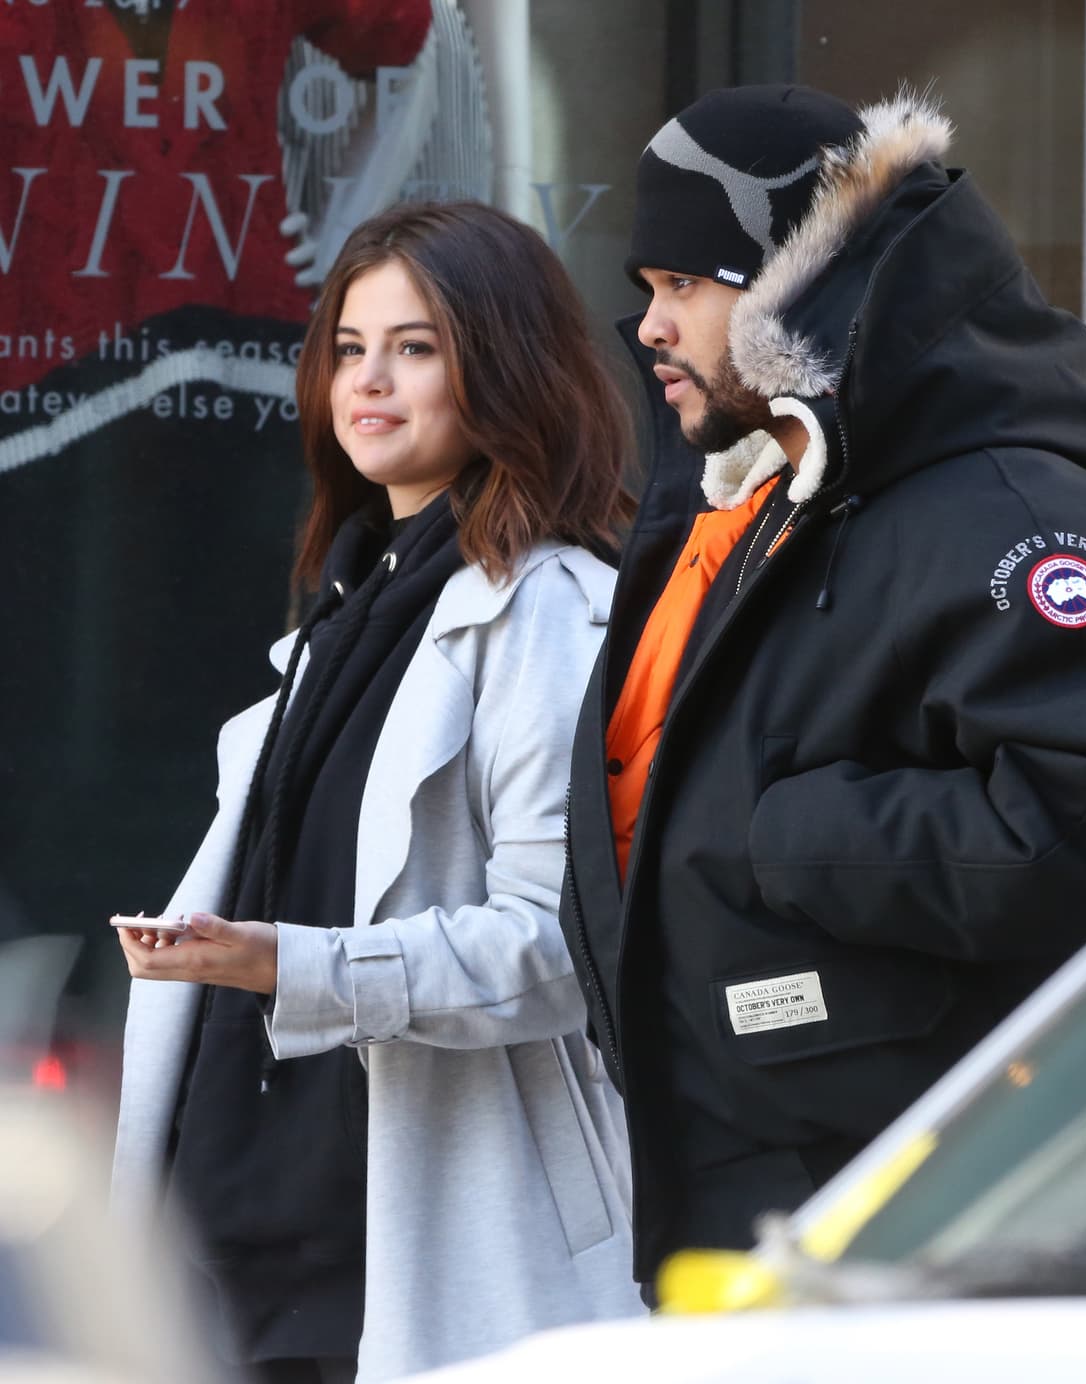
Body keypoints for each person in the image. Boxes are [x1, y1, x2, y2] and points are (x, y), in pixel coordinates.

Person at [559, 85, 1086, 1294]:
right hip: (740, 1190)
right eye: (645, 290)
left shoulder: (1009, 505)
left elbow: (1083, 818)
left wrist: (771, 836)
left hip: (911, 1211)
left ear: (799, 282)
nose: (646, 326)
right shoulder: (750, 506)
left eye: (682, 285)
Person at [112, 201, 644, 1384]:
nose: (369, 382)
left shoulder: (545, 610)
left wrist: (285, 965)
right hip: (248, 1224)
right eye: (349, 348)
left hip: (420, 1237)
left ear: (501, 366)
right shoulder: (343, 612)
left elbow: (558, 946)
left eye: (415, 347)